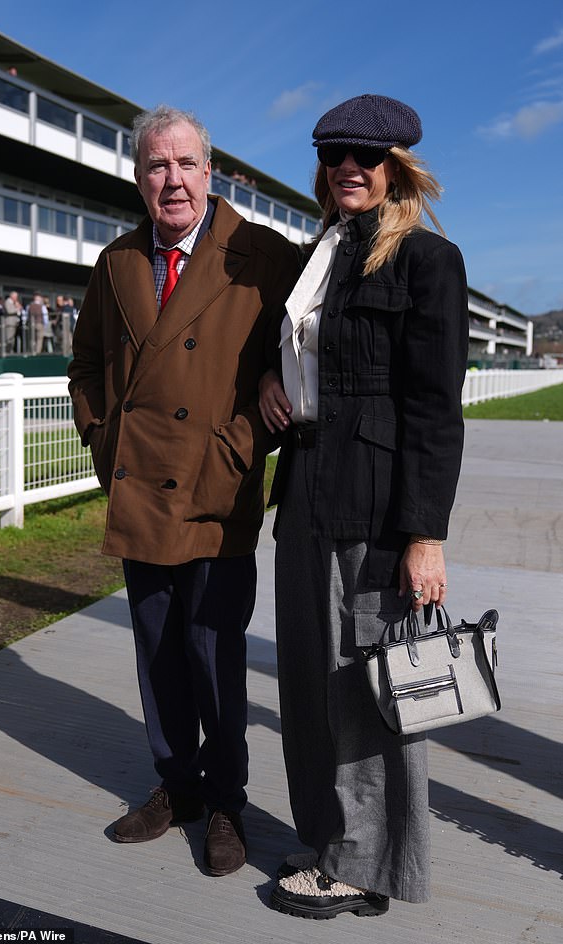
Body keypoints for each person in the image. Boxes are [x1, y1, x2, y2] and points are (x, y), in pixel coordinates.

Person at [68, 105, 298, 876]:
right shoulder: (117, 261)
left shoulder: (262, 255)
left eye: (185, 164)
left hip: (216, 488)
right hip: (140, 485)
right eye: (156, 166)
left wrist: (244, 438)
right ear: (138, 179)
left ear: (212, 171)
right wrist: (104, 441)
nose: (173, 180)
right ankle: (178, 786)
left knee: (212, 655)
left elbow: (299, 356)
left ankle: (226, 799)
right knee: (158, 651)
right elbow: (86, 363)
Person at [258, 94, 469, 918]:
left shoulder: (423, 261)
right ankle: (329, 839)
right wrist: (270, 381)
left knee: (366, 685)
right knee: (309, 681)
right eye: (335, 156)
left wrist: (426, 535)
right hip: (308, 488)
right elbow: (295, 355)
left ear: (396, 170)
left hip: (377, 505)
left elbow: (434, 411)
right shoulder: (324, 251)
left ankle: (366, 864)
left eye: (366, 158)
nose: (349, 167)